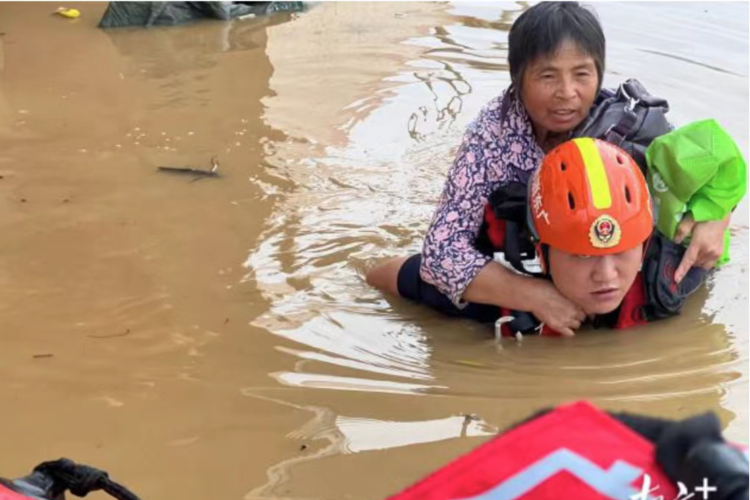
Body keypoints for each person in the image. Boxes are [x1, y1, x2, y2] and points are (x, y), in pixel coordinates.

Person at [366, 1, 732, 336]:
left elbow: (713, 169)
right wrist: (533, 295)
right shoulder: (491, 139)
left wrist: (717, 218)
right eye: (547, 76)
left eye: (582, 74)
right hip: (524, 259)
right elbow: (440, 252)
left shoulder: (627, 128)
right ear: (518, 78)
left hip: (607, 257)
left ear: (599, 74)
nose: (567, 93)